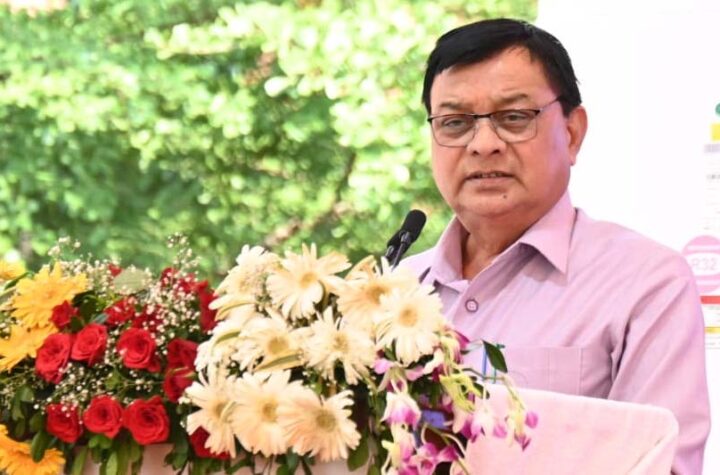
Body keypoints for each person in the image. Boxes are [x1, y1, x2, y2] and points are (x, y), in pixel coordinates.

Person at [402, 18, 710, 474]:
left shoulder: (647, 283)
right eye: (455, 123)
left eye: (513, 117)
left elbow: (663, 465)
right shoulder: (396, 291)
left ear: (572, 133)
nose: (483, 144)